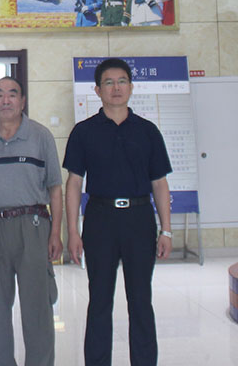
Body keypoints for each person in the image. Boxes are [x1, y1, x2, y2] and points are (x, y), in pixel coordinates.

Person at [63, 58, 173, 366]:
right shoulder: (84, 132)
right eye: (108, 82)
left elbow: (160, 183)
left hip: (139, 219)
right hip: (100, 219)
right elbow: (74, 183)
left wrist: (166, 230)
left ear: (131, 87)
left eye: (122, 81)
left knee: (141, 300)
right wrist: (72, 231)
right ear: (97, 90)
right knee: (99, 300)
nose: (116, 88)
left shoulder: (148, 131)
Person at [0, 77, 63, 366]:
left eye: (13, 94)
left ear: (22, 101)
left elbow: (55, 188)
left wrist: (56, 233)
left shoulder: (41, 136)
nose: (6, 100)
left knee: (38, 307)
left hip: (33, 225)